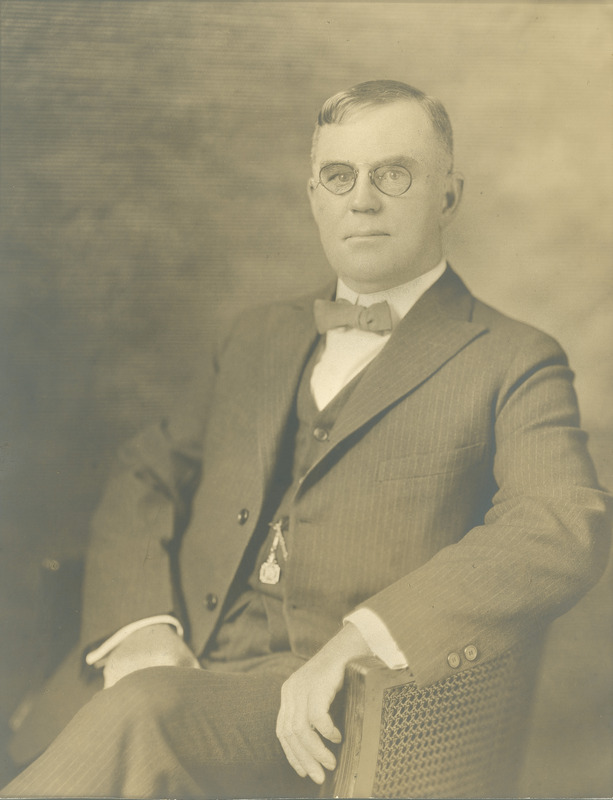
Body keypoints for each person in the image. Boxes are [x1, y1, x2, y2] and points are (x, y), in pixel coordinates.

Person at [3, 79, 611, 798]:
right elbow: (147, 471)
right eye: (339, 176)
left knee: (145, 714)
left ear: (448, 196)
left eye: (393, 174)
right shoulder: (256, 337)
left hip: (325, 713)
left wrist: (360, 638)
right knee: (114, 713)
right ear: (313, 197)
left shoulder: (512, 358)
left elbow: (559, 524)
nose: (362, 200)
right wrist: (140, 626)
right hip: (169, 670)